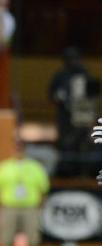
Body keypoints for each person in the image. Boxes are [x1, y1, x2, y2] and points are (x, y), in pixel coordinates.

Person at [0, 134, 50, 246]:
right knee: (6, 239)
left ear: (25, 149)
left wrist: (39, 208)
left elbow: (44, 190)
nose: (18, 149)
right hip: (9, 207)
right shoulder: (3, 167)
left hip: (30, 208)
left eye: (21, 147)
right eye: (16, 146)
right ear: (12, 148)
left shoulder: (35, 167)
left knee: (33, 239)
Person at [49, 47, 100, 177]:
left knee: (83, 146)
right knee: (66, 145)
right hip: (65, 118)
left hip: (82, 119)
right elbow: (52, 94)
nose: (73, 61)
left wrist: (91, 117)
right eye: (70, 59)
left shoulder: (85, 75)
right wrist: (60, 98)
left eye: (75, 58)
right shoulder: (60, 76)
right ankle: (66, 172)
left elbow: (93, 97)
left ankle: (83, 173)